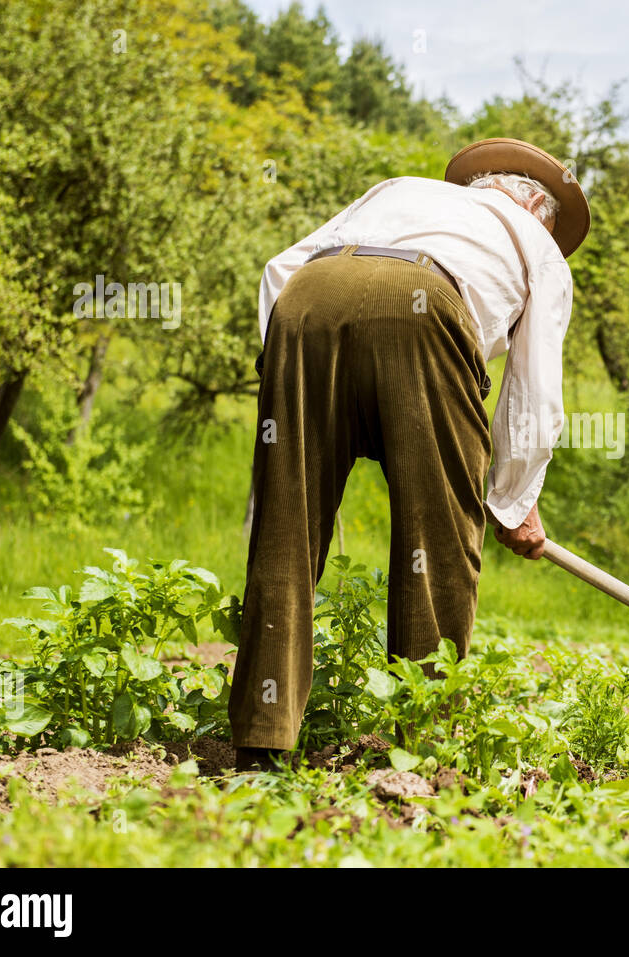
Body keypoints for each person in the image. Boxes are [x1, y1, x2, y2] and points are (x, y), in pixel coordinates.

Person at [228, 138, 591, 771]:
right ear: (540, 211)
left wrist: (288, 377)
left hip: (311, 298)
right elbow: (533, 391)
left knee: (288, 525)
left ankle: (261, 739)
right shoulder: (538, 248)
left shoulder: (397, 190)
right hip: (423, 308)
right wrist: (514, 501)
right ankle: (422, 747)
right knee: (440, 534)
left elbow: (280, 269)